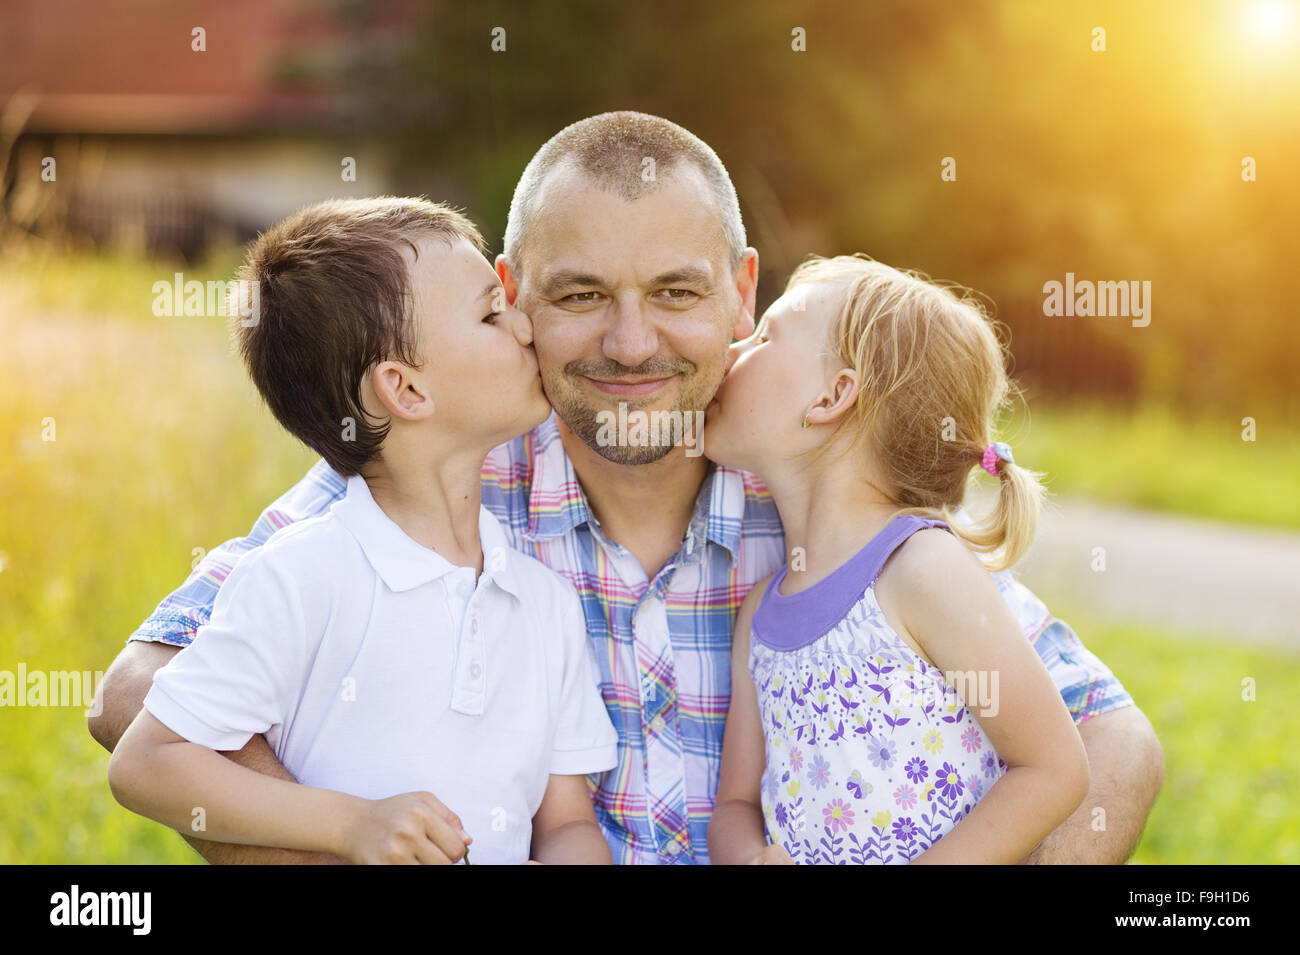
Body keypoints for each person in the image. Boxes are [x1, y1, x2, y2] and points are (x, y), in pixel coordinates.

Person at [90, 111, 1163, 865]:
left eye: (677, 292)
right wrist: (337, 842)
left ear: (744, 289)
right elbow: (141, 692)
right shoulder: (429, 476)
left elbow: (1107, 742)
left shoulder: (821, 491)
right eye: (581, 293)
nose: (631, 341)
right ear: (510, 299)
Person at [105, 197, 618, 865]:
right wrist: (351, 825)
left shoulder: (545, 602)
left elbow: (566, 823)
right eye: (492, 312)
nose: (526, 326)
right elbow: (145, 761)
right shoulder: (303, 573)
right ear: (405, 390)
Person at [707, 256, 1093, 864]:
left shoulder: (921, 570)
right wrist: (752, 858)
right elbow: (734, 807)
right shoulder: (758, 613)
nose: (731, 350)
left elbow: (1052, 768)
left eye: (764, 336)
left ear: (832, 396)